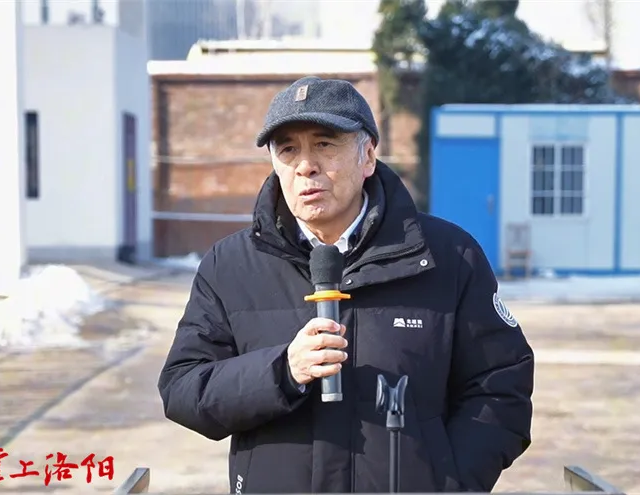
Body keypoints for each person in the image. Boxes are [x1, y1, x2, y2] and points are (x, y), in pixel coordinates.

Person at [157, 76, 535, 493]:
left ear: (367, 155)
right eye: (288, 149)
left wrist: (448, 484)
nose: (306, 166)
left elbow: (501, 388)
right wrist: (282, 371)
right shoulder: (229, 266)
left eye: (324, 144)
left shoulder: (449, 257)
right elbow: (183, 390)